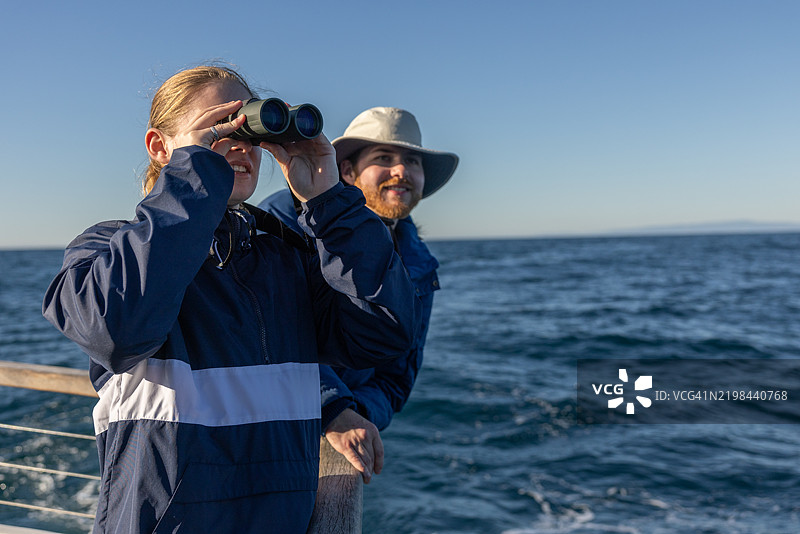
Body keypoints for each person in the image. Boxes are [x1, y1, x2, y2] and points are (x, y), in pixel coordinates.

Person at [42, 67, 420, 533]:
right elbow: (116, 329)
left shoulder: (288, 261)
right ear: (161, 148)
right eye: (220, 128)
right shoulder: (105, 248)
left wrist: (331, 202)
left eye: (250, 130)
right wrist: (195, 176)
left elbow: (384, 333)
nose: (240, 144)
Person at [259, 107, 458, 483]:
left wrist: (355, 412)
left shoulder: (417, 261)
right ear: (347, 171)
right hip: (265, 434)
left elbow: (397, 376)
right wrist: (332, 408)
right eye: (384, 159)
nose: (401, 171)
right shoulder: (281, 223)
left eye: (411, 161)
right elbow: (266, 338)